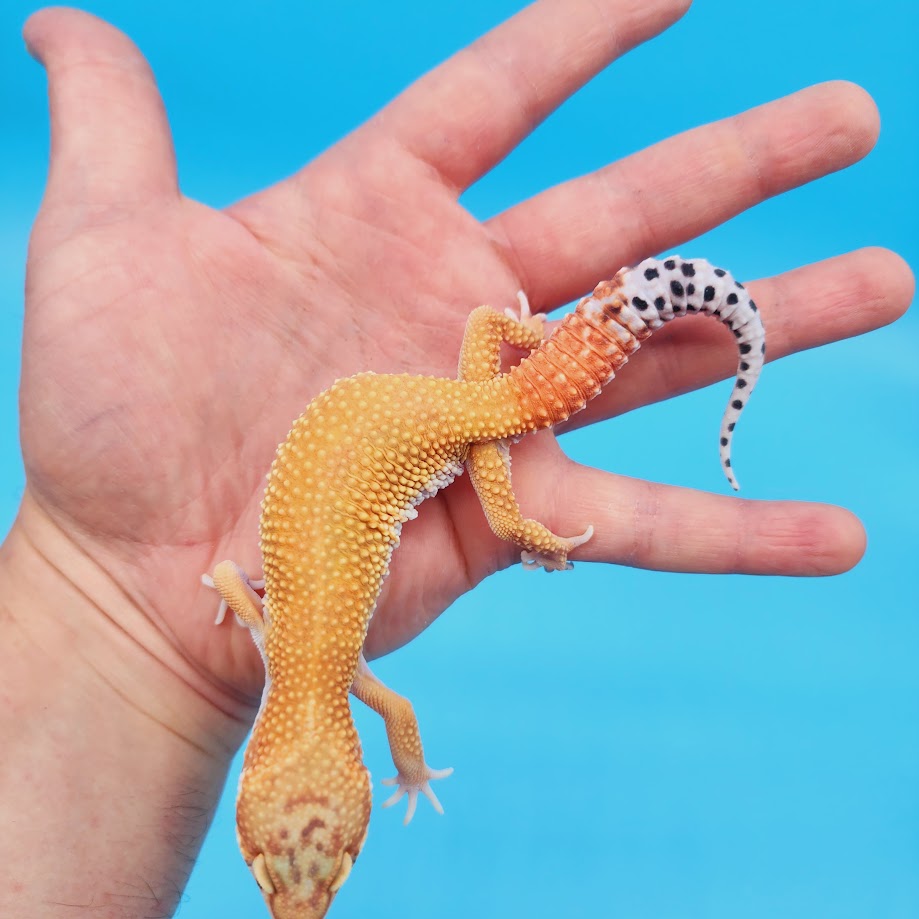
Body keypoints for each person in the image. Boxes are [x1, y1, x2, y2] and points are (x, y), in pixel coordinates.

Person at [0, 2, 912, 916]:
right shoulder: (284, 649)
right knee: (501, 391)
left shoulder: (340, 678)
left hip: (437, 424)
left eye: (271, 871)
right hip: (418, 403)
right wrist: (147, 621)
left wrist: (514, 532)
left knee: (507, 490)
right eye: (320, 867)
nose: (297, 899)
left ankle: (551, 444)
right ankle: (585, 326)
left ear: (258, 805)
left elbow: (399, 717)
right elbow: (238, 592)